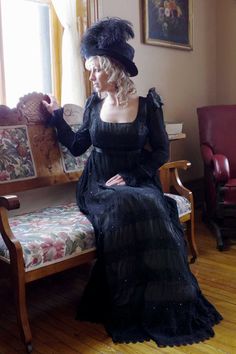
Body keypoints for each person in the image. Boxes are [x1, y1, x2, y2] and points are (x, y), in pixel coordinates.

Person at [42, 17, 222, 347]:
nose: (91, 76)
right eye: (88, 69)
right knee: (130, 203)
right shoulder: (94, 104)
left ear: (112, 68)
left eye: (96, 69)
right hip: (98, 184)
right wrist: (55, 117)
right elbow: (80, 144)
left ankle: (163, 300)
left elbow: (160, 152)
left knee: (154, 201)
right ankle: (127, 304)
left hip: (136, 178)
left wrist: (132, 176)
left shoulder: (147, 104)